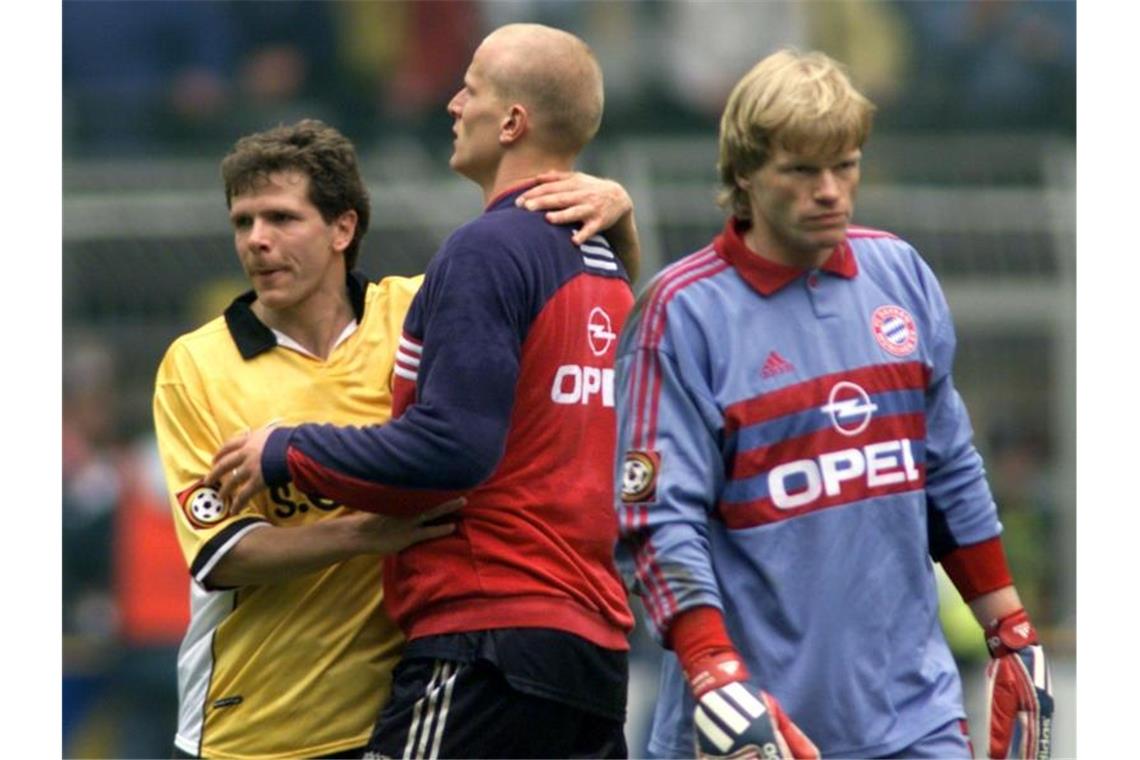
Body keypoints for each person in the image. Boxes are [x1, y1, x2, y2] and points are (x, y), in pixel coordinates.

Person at [209, 23, 638, 758]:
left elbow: (454, 447)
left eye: (470, 87)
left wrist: (287, 451)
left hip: (486, 639)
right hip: (590, 647)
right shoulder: (603, 264)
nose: (452, 103)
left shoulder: (487, 248)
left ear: (512, 122)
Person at [611, 49, 1054, 759]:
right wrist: (714, 674)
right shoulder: (681, 313)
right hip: (751, 731)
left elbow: (948, 470)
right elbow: (656, 522)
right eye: (802, 170)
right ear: (745, 176)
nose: (831, 192)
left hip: (917, 721)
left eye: (844, 165)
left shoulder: (899, 274)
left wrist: (1010, 628)